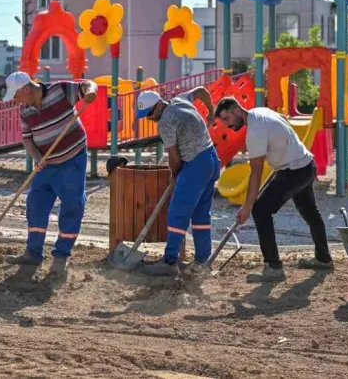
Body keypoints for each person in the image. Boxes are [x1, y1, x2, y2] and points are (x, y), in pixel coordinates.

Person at [215, 98, 333, 283]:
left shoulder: (254, 131)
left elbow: (256, 172)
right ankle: (323, 258)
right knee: (310, 212)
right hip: (306, 164)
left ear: (237, 110)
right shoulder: (261, 112)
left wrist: (247, 206)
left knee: (260, 210)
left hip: (294, 170)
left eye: (226, 118)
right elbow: (283, 121)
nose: (226, 125)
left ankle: (273, 267)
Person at [2, 70, 98, 275]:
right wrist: (37, 158)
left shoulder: (60, 90)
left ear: (26, 89)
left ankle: (61, 255)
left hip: (72, 159)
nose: (16, 101)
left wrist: (91, 92)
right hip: (46, 164)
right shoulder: (25, 110)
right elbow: (27, 138)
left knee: (72, 205)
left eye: (17, 95)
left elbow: (88, 85)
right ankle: (33, 252)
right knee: (36, 204)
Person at [135, 86, 220, 277]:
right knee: (200, 213)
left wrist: (175, 175)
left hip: (195, 164)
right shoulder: (181, 99)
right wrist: (211, 111)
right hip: (212, 159)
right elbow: (202, 91)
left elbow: (174, 158)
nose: (149, 118)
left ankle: (170, 261)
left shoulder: (165, 123)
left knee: (177, 212)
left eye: (149, 114)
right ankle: (202, 261)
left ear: (158, 106)